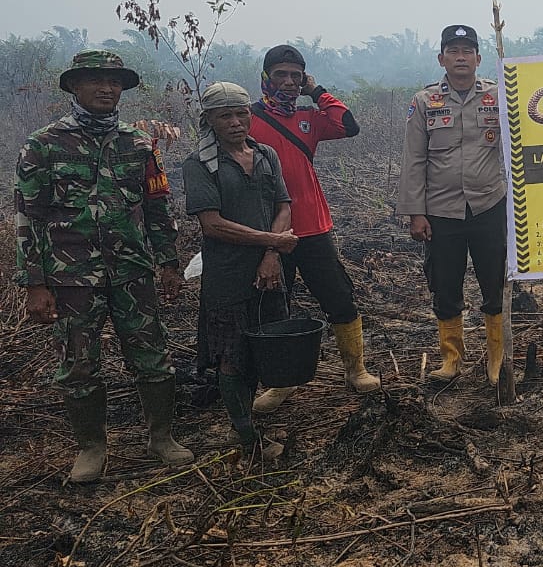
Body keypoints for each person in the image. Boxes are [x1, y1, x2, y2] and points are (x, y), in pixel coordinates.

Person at [15, 50, 193, 483]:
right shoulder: (44, 144)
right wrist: (35, 283)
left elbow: (157, 205)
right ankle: (91, 447)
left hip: (132, 271)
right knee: (78, 363)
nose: (106, 88)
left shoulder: (138, 144)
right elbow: (29, 216)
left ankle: (161, 437)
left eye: (114, 82)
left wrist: (168, 262)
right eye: (95, 80)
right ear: (74, 87)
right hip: (71, 277)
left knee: (153, 356)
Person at [246, 44, 379, 413]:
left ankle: (356, 369)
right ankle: (281, 382)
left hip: (315, 227)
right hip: (269, 232)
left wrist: (316, 91)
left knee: (338, 297)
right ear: (266, 78)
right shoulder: (248, 120)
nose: (288, 82)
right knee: (275, 305)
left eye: (295, 75)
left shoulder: (308, 116)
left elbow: (347, 125)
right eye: (280, 75)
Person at [182, 82, 298, 460]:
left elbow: (284, 205)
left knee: (265, 345)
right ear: (209, 120)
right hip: (227, 274)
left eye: (241, 113)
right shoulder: (199, 164)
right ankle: (246, 435)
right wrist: (272, 241)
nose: (235, 122)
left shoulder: (265, 155)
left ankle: (254, 420)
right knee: (230, 354)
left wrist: (271, 253)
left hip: (269, 270)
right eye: (225, 115)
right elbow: (212, 225)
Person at [397, 24, 507, 384]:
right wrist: (416, 212)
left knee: (494, 282)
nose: (461, 57)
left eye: (467, 51)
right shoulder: (425, 101)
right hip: (441, 212)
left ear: (478, 58)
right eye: (453, 51)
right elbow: (413, 159)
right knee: (445, 285)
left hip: (489, 205)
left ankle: (496, 357)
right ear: (441, 58)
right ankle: (451, 359)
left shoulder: (499, 95)